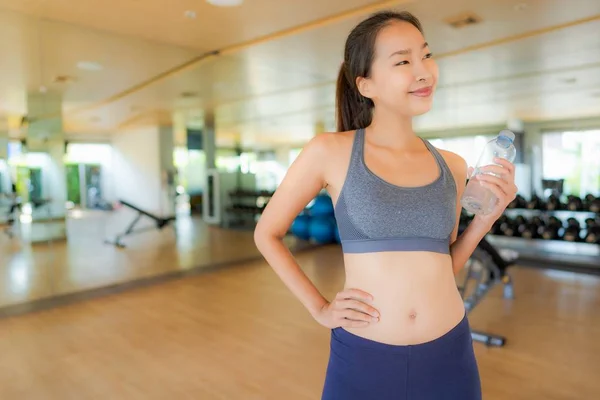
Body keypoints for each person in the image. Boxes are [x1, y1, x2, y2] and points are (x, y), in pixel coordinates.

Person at [254, 10, 517, 400]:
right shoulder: (331, 152)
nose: (423, 71)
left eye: (426, 55)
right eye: (403, 61)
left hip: (450, 354)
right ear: (366, 84)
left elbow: (443, 265)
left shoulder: (453, 165)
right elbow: (267, 233)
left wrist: (485, 220)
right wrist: (320, 308)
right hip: (364, 358)